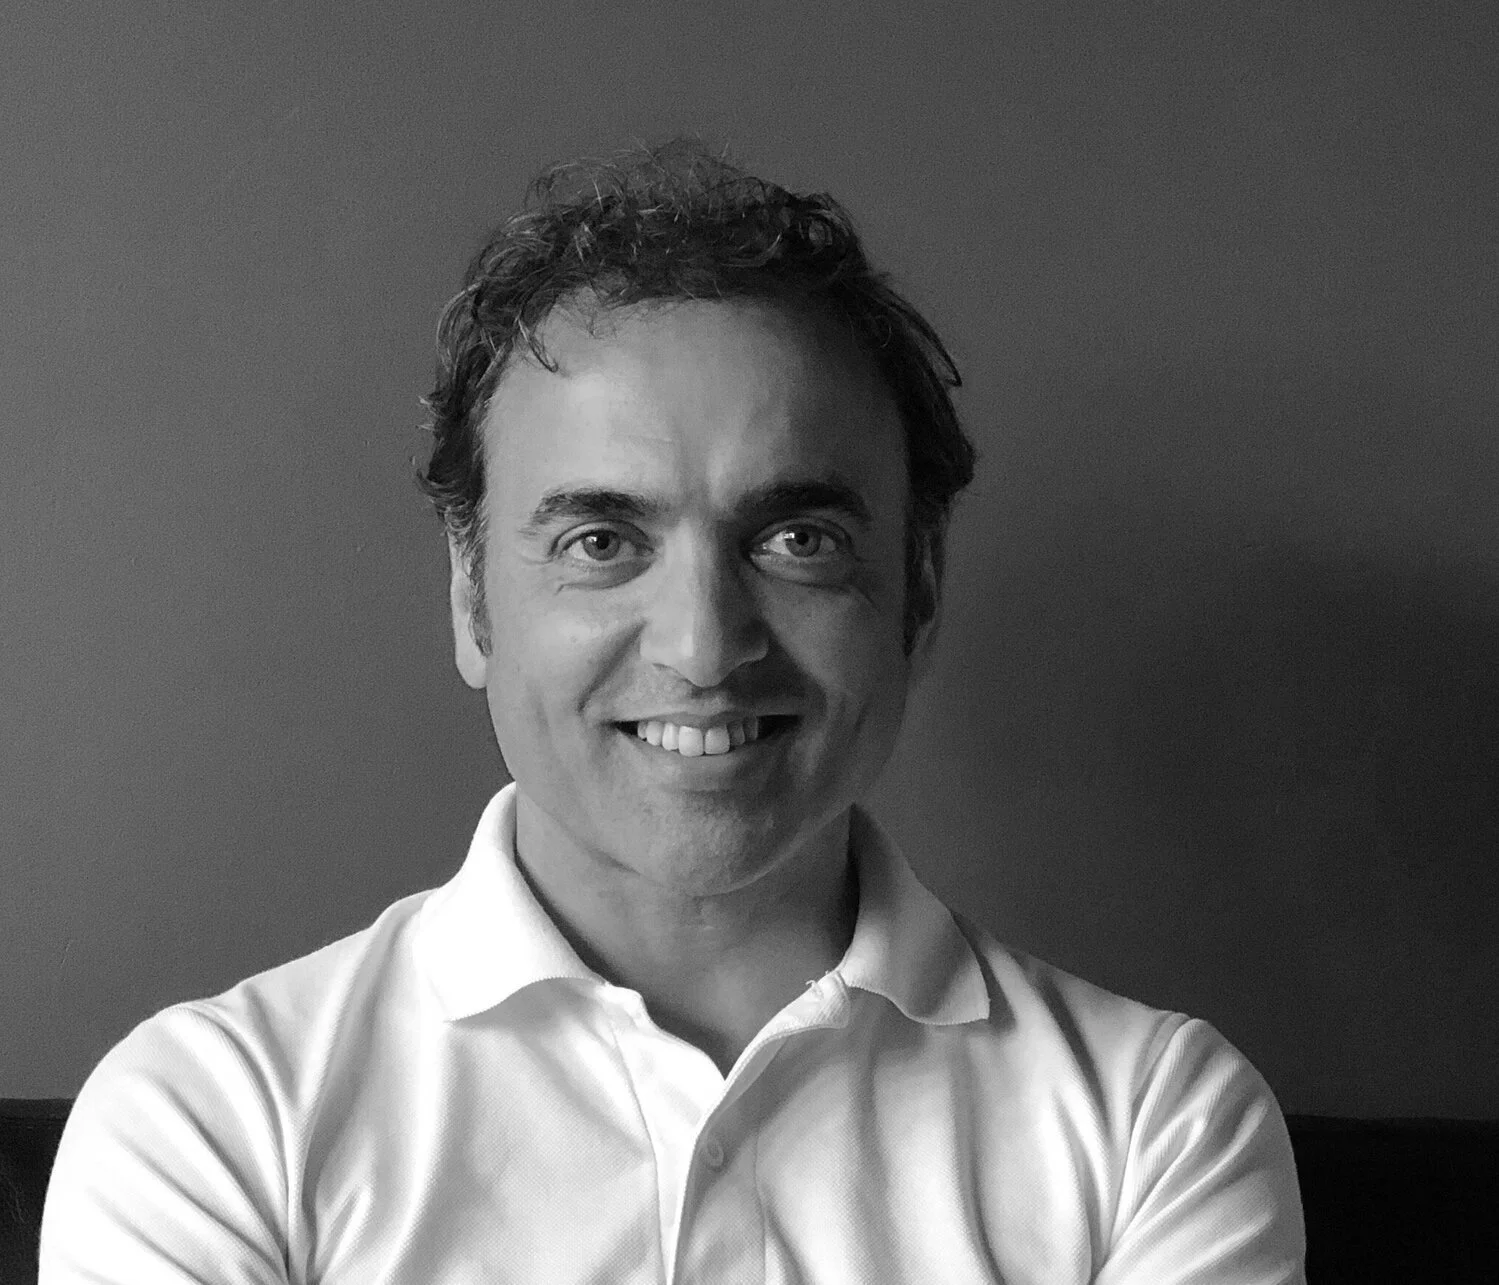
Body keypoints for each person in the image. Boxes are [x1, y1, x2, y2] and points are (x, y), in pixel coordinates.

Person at [40, 141, 1305, 1283]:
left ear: (915, 594)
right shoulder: (210, 1120)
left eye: (796, 537)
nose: (704, 646)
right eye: (600, 539)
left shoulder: (1156, 1127)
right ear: (473, 602)